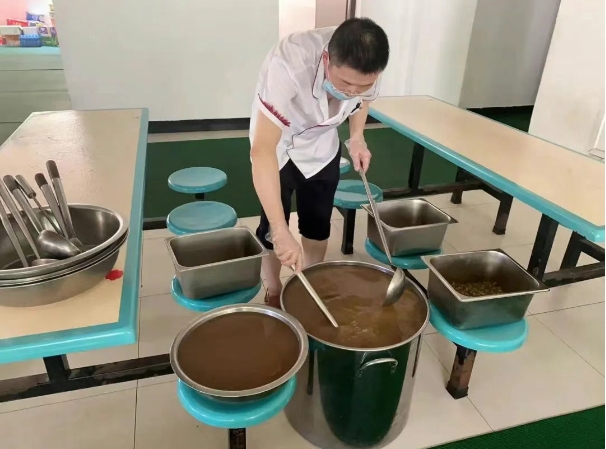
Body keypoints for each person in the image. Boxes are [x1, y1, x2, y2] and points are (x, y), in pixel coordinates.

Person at [249, 18, 390, 307]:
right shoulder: (288, 63)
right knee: (273, 229)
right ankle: (274, 289)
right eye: (345, 83)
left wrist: (357, 138)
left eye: (363, 84)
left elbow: (362, 101)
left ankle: (311, 284)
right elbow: (262, 150)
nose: (352, 91)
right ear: (326, 59)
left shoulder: (369, 63)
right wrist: (281, 230)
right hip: (278, 145)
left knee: (317, 224)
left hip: (321, 147)